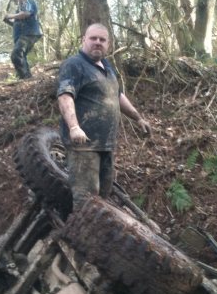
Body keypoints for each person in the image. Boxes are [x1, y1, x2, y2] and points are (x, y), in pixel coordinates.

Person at [56, 23, 151, 206]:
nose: (97, 42)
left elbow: (118, 95)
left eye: (102, 40)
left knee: (103, 199)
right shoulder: (74, 64)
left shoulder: (107, 67)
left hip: (106, 146)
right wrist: (74, 127)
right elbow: (65, 96)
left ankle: (90, 232)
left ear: (108, 44)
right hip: (84, 146)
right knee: (87, 202)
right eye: (93, 38)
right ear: (84, 40)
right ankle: (79, 235)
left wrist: (138, 118)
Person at [3, 0, 42, 79]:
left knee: (16, 54)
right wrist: (7, 20)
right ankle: (27, 77)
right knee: (21, 55)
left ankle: (25, 78)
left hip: (29, 33)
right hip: (24, 34)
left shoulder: (27, 1)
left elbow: (26, 14)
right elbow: (18, 23)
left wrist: (9, 15)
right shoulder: (20, 8)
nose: (13, 1)